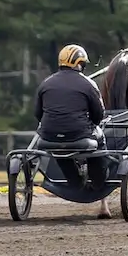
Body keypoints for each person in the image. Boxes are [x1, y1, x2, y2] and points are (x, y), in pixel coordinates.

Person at [35, 44, 107, 187]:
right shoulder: (88, 84)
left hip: (48, 136)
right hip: (79, 135)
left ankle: (74, 180)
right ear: (80, 64)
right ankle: (99, 180)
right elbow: (99, 115)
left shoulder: (45, 83)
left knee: (59, 146)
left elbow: (37, 114)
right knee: (100, 137)